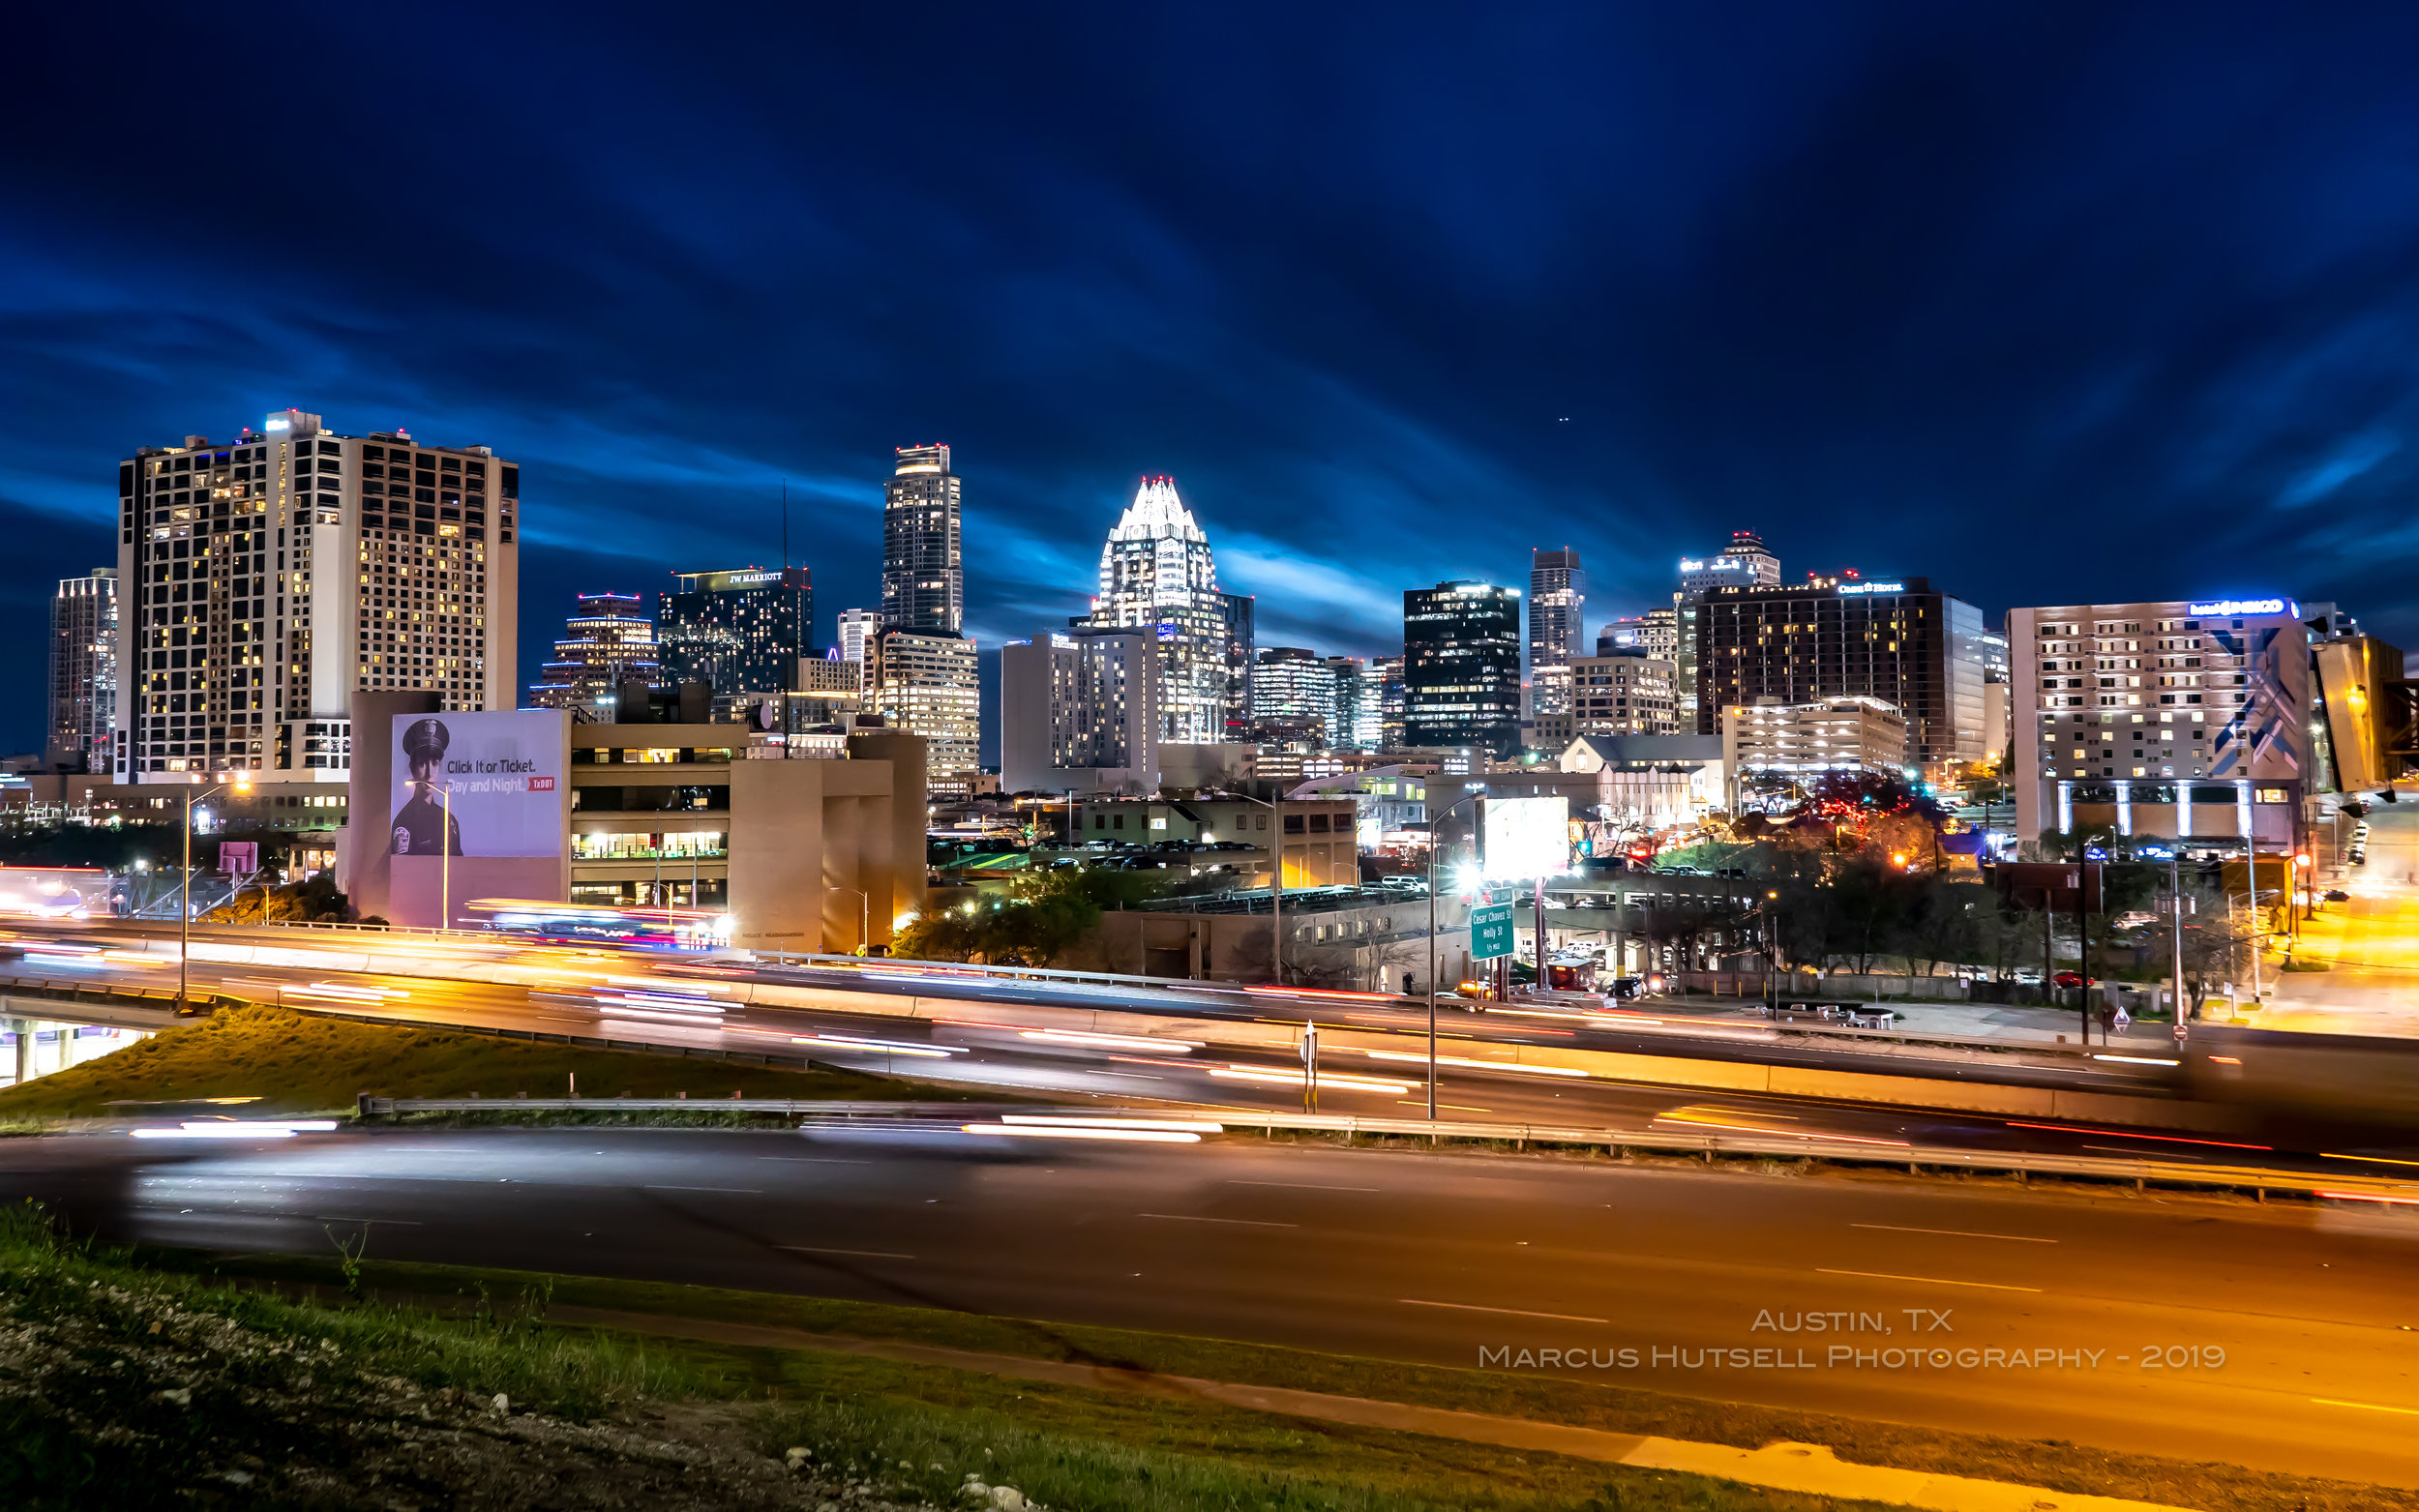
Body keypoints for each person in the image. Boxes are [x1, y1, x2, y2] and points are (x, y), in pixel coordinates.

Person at [391, 717, 463, 856]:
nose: (429, 773)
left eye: (434, 763)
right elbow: (401, 869)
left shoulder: (450, 820)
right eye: (422, 763)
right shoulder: (404, 822)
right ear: (412, 768)